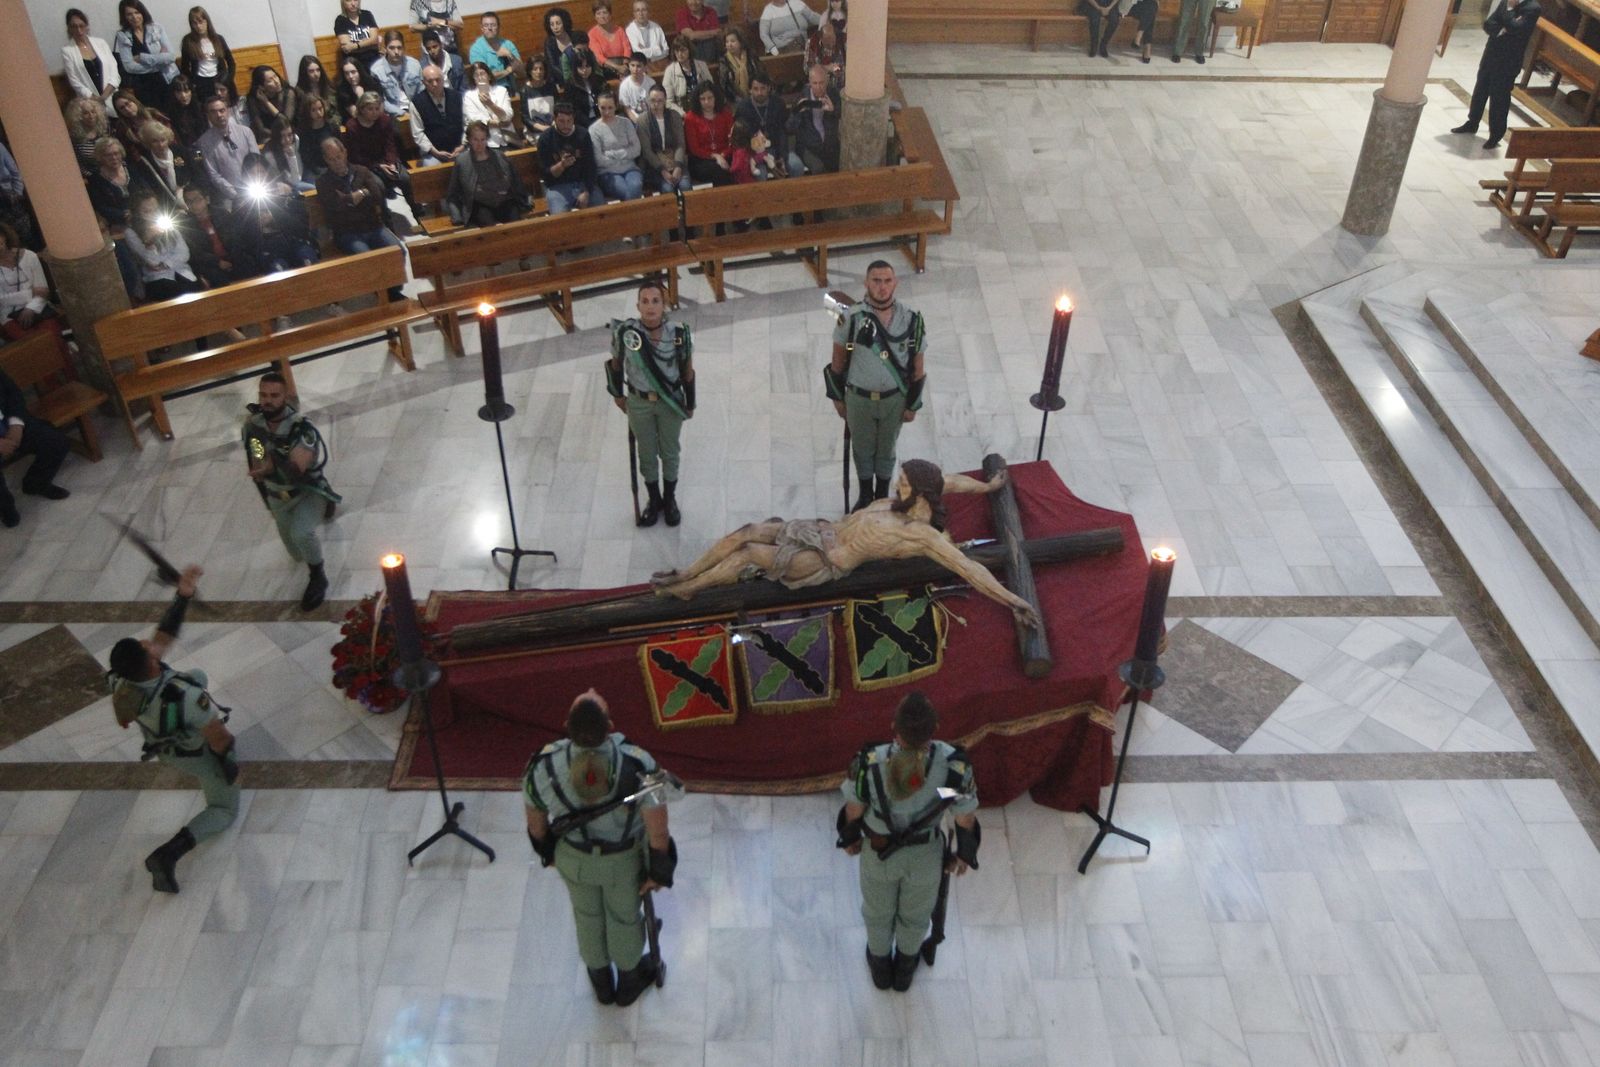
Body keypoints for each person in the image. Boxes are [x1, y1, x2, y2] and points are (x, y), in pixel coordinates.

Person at [652, 461, 1040, 629]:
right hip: (821, 529)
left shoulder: (920, 534)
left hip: (823, 561)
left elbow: (967, 568)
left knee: (748, 554)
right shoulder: (907, 497)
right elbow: (951, 481)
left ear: (920, 493)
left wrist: (1014, 601)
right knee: (746, 531)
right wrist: (988, 486)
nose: (896, 485)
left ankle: (689, 589)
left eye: (904, 483)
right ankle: (686, 572)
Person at [523, 689, 678, 1006]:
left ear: (566, 726)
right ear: (610, 726)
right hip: (622, 862)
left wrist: (548, 854)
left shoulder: (543, 766)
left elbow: (536, 824)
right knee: (624, 918)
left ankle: (601, 984)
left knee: (586, 915)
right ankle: (629, 982)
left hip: (574, 858)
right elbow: (658, 831)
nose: (593, 690)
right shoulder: (637, 763)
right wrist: (658, 872)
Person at [106, 565, 239, 892]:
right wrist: (227, 764)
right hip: (192, 752)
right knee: (224, 809)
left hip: (161, 740)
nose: (148, 642)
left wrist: (183, 595)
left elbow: (163, 637)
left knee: (196, 675)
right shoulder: (187, 698)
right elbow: (220, 739)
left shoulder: (121, 681)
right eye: (145, 647)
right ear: (151, 662)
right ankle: (168, 855)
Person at [837, 692, 979, 992]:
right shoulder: (952, 769)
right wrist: (964, 854)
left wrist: (850, 839)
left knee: (877, 914)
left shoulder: (869, 764)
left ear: (894, 727)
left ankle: (880, 968)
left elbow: (854, 809)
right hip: (925, 857)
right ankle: (904, 970)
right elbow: (964, 816)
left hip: (879, 853)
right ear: (935, 728)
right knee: (915, 917)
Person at [829, 261, 926, 510]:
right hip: (859, 399)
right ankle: (864, 496)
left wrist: (913, 405)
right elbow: (837, 362)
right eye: (876, 280)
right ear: (866, 283)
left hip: (894, 399)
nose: (882, 287)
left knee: (887, 450)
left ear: (895, 283)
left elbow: (918, 367)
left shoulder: (911, 319)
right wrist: (838, 399)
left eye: (887, 281)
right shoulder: (850, 318)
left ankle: (882, 496)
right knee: (862, 449)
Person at [243, 371, 339, 609]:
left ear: (285, 397)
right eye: (263, 395)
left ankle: (318, 576)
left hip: (306, 491)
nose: (267, 401)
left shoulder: (300, 428)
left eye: (274, 396)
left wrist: (271, 464)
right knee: (296, 553)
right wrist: (261, 470)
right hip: (278, 496)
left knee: (301, 534)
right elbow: (256, 455)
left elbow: (297, 470)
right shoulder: (254, 427)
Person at [605, 279, 693, 526]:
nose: (650, 306)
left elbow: (687, 370)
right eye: (645, 301)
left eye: (656, 301)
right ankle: (654, 500)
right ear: (638, 305)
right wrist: (618, 395)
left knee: (670, 452)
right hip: (639, 402)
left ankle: (670, 499)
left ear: (664, 304)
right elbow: (615, 364)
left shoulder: (678, 334)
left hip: (669, 402)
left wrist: (690, 403)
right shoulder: (626, 333)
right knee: (646, 452)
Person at [1451, 0, 1543, 150]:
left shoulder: (1532, 8)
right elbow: (1489, 23)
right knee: (1480, 90)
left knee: (1499, 97)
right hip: (1491, 53)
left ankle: (1496, 134)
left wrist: (1509, 10)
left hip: (1508, 61)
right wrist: (1502, 30)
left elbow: (1516, 29)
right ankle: (1472, 122)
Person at [0, 359, 70, 528]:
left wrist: (16, 425)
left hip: (7, 421)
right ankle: (5, 508)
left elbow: (12, 392)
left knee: (55, 441)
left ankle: (36, 483)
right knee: (8, 513)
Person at [316, 138, 406, 270]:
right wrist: (354, 198)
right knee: (368, 261)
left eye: (338, 157)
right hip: (347, 233)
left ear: (345, 153)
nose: (337, 162)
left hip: (373, 226)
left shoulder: (361, 171)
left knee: (399, 252)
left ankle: (394, 283)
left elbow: (377, 196)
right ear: (325, 160)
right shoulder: (323, 182)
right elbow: (334, 206)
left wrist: (360, 194)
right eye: (332, 159)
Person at [233, 154, 320, 274]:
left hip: (292, 240)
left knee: (306, 258)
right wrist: (256, 221)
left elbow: (302, 227)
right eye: (252, 174)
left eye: (261, 172)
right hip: (266, 248)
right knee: (278, 268)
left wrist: (276, 213)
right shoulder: (240, 201)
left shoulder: (283, 191)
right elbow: (245, 238)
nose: (258, 177)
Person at [343, 92, 417, 213]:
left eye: (377, 109)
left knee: (405, 178)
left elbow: (390, 145)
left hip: (385, 160)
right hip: (366, 164)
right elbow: (355, 156)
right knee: (377, 185)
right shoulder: (352, 126)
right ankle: (384, 216)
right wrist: (378, 166)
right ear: (362, 109)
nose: (374, 112)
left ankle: (417, 211)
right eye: (370, 109)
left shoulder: (384, 120)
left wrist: (391, 163)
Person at [447, 121, 529, 226]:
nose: (479, 144)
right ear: (469, 140)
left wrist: (525, 201)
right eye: (475, 140)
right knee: (491, 226)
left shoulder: (500, 156)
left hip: (504, 200)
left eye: (483, 139)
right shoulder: (462, 161)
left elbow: (516, 181)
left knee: (516, 224)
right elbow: (453, 191)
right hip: (480, 205)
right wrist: (457, 216)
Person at [0, 222, 59, 344]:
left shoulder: (29, 256)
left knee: (52, 337)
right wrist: (31, 292)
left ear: (4, 236)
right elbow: (2, 300)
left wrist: (31, 308)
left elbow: (43, 290)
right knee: (31, 344)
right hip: (9, 314)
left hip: (39, 306)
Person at [114, 0, 179, 109]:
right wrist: (160, 61)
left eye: (137, 12)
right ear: (124, 17)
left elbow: (171, 57)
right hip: (143, 86)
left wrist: (142, 58)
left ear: (142, 12)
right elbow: (129, 67)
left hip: (167, 79)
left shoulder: (157, 28)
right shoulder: (123, 35)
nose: (134, 17)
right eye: (129, 14)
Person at [538, 103, 601, 213]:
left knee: (602, 211)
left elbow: (591, 166)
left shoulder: (583, 134)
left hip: (582, 183)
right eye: (561, 121)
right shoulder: (545, 138)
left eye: (569, 121)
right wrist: (562, 165)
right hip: (557, 187)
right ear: (554, 119)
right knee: (559, 217)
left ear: (573, 119)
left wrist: (586, 191)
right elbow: (545, 174)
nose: (566, 125)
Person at [196, 92, 255, 209]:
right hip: (230, 198)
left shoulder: (245, 132)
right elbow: (213, 174)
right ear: (208, 115)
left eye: (222, 110)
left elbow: (256, 161)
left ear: (228, 111)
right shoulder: (203, 142)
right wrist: (236, 194)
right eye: (213, 112)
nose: (219, 115)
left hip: (255, 188)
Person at [178, 183, 241, 287]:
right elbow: (195, 252)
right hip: (209, 263)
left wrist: (232, 258)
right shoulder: (186, 225)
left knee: (248, 264)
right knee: (217, 278)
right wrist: (217, 262)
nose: (194, 204)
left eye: (197, 200)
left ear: (206, 199)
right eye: (189, 202)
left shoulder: (221, 213)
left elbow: (235, 237)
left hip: (231, 256)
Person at [131, 119, 201, 213]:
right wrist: (173, 209)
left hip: (193, 200)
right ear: (147, 143)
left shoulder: (179, 151)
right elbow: (152, 192)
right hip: (170, 210)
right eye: (155, 141)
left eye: (163, 140)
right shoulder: (144, 164)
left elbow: (197, 168)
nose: (160, 145)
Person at [635, 85, 692, 194]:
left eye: (660, 101)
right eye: (653, 100)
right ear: (648, 100)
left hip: (675, 159)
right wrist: (663, 171)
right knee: (668, 188)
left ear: (665, 100)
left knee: (685, 185)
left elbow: (680, 144)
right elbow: (647, 151)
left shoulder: (674, 116)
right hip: (654, 165)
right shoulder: (642, 120)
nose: (656, 104)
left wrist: (678, 167)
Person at [590, 92, 645, 202]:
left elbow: (637, 149)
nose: (607, 112)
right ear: (598, 107)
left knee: (635, 186)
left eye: (610, 108)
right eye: (603, 108)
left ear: (616, 106)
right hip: (607, 172)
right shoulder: (594, 130)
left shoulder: (626, 123)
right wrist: (625, 154)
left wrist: (613, 154)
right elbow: (599, 160)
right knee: (626, 191)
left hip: (630, 168)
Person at [63, 8, 120, 112]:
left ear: (87, 26)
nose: (79, 30)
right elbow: (74, 81)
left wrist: (104, 96)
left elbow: (114, 70)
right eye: (74, 26)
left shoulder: (101, 43)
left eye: (81, 26)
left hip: (112, 95)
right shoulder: (67, 51)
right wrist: (95, 98)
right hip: (90, 102)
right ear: (69, 29)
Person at [787, 64, 840, 175]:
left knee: (839, 166)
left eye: (821, 83)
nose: (818, 87)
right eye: (815, 83)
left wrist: (832, 110)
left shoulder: (833, 94)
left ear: (827, 81)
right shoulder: (801, 97)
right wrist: (798, 112)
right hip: (808, 147)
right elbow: (789, 128)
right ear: (809, 83)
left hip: (829, 145)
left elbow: (842, 115)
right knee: (818, 168)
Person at [179, 6, 236, 106]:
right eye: (194, 23)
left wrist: (228, 79)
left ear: (207, 21)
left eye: (201, 22)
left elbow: (231, 62)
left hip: (219, 79)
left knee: (224, 106)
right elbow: (184, 67)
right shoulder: (188, 41)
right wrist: (192, 83)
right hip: (201, 82)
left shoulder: (218, 39)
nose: (198, 26)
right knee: (206, 108)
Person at [410, 64, 466, 164]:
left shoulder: (457, 97)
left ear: (443, 79)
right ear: (423, 82)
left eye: (437, 80)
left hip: (460, 149)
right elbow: (418, 133)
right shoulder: (417, 103)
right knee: (431, 166)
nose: (435, 84)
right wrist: (435, 152)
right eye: (430, 81)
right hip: (433, 153)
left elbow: (467, 123)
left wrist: (463, 145)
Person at [734, 72, 788, 175]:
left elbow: (782, 132)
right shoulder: (743, 108)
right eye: (755, 89)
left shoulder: (778, 103)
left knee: (795, 166)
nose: (759, 92)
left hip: (776, 149)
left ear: (769, 88)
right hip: (755, 154)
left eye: (763, 88)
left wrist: (782, 155)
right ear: (750, 90)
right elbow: (742, 138)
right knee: (761, 174)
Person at [684, 83, 735, 186]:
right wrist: (716, 156)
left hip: (725, 155)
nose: (707, 102)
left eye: (710, 98)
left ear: (716, 98)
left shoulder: (726, 114)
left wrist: (723, 155)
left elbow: (733, 141)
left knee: (739, 165)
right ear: (697, 100)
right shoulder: (690, 118)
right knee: (719, 172)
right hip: (701, 160)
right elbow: (694, 149)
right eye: (702, 99)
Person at [463, 61, 520, 147]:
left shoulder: (501, 91)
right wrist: (498, 124)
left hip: (507, 138)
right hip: (485, 142)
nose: (480, 77)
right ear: (473, 79)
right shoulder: (469, 96)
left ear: (489, 76)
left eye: (482, 74)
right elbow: (474, 119)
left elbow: (507, 116)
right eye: (476, 75)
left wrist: (490, 104)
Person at [87, 137, 136, 233]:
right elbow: (101, 207)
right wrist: (124, 215)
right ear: (100, 157)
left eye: (116, 153)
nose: (114, 158)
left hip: (142, 216)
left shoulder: (131, 169)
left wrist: (138, 212)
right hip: (118, 223)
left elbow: (146, 191)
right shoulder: (95, 179)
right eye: (108, 155)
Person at [371, 31, 423, 116]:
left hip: (416, 110)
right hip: (392, 114)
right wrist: (402, 113)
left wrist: (417, 111)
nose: (396, 52)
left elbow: (422, 91)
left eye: (399, 48)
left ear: (404, 48)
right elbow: (381, 100)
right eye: (392, 48)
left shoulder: (415, 65)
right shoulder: (376, 70)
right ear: (385, 49)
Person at [245, 65, 301, 143]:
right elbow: (260, 128)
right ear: (261, 87)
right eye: (270, 80)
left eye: (275, 76)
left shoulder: (288, 93)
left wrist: (266, 103)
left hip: (289, 134)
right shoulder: (253, 99)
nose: (276, 81)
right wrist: (276, 137)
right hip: (268, 138)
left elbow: (286, 122)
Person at [469, 12, 523, 91]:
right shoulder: (476, 49)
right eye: (486, 25)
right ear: (481, 28)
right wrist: (509, 70)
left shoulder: (508, 44)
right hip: (489, 90)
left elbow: (522, 72)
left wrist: (510, 55)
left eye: (493, 25)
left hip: (511, 90)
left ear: (498, 27)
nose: (490, 28)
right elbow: (483, 77)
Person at [661, 35, 712, 114]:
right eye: (677, 51)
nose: (680, 54)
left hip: (703, 108)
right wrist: (683, 114)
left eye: (683, 50)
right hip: (682, 112)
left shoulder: (701, 65)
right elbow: (668, 102)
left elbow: (711, 89)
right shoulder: (670, 71)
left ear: (689, 50)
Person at [264, 116, 316, 192]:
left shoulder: (295, 139)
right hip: (284, 182)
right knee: (313, 188)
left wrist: (293, 156)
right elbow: (294, 181)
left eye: (289, 135)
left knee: (316, 184)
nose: (287, 140)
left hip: (300, 172)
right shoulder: (270, 154)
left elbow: (299, 162)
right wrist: (291, 156)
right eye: (283, 136)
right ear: (277, 137)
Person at [297, 94, 342, 177]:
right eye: (313, 110)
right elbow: (306, 157)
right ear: (307, 112)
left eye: (320, 108)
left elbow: (340, 148)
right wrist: (319, 171)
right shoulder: (304, 131)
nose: (318, 113)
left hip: (334, 165)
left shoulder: (333, 127)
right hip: (313, 169)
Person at [564, 49, 611, 127]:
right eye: (581, 67)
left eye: (587, 66)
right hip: (581, 123)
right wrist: (590, 124)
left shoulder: (600, 80)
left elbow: (607, 101)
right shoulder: (571, 85)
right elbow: (573, 109)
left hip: (601, 119)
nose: (584, 70)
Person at [65, 97, 110, 175]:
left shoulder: (105, 130)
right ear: (78, 116)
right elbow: (78, 163)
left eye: (93, 112)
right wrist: (91, 176)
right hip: (94, 176)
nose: (91, 116)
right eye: (86, 113)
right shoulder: (75, 138)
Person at [588, 0, 633, 75]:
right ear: (595, 17)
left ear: (610, 14)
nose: (602, 16)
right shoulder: (592, 34)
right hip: (605, 70)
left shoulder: (619, 30)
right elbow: (598, 57)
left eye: (605, 12)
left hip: (624, 67)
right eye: (598, 13)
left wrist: (625, 65)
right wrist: (617, 67)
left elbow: (627, 49)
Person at [728, 120, 777, 186]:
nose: (730, 130)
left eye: (732, 129)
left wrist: (729, 169)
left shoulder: (740, 152)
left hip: (744, 181)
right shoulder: (745, 148)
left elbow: (737, 167)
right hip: (748, 179)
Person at [544, 7, 585, 84]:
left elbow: (586, 56)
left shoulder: (575, 36)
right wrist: (570, 78)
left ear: (565, 23)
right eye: (552, 24)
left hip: (582, 74)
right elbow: (553, 66)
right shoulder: (549, 42)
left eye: (558, 23)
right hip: (561, 80)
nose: (555, 27)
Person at [522, 57, 561, 137]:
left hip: (553, 127)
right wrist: (542, 128)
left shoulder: (551, 87)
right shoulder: (525, 91)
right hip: (535, 132)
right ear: (530, 71)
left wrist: (554, 123)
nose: (538, 72)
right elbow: (525, 117)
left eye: (541, 69)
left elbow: (558, 108)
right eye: (535, 69)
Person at [719, 27, 759, 102]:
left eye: (733, 41)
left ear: (740, 42)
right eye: (727, 42)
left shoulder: (750, 56)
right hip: (734, 98)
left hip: (754, 93)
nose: (729, 44)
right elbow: (724, 85)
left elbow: (758, 74)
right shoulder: (724, 60)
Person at [167, 76, 208, 148]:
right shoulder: (172, 113)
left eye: (186, 91)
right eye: (179, 92)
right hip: (190, 148)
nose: (183, 96)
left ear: (191, 91)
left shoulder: (201, 107)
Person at [615, 52, 657, 120]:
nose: (635, 69)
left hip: (650, 117)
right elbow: (627, 109)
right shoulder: (624, 85)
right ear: (629, 66)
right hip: (633, 120)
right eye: (632, 65)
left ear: (645, 67)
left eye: (639, 66)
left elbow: (655, 104)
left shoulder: (651, 83)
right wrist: (637, 122)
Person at [336, 56, 379, 121]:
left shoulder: (372, 83)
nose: (350, 76)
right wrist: (361, 97)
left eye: (353, 72)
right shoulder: (343, 90)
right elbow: (355, 115)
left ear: (359, 71)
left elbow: (380, 108)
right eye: (346, 73)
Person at [804, 19, 844, 84]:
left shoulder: (841, 43)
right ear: (821, 38)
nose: (831, 44)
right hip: (818, 83)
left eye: (833, 40)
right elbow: (807, 69)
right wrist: (826, 68)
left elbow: (842, 67)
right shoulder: (811, 43)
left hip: (838, 84)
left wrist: (837, 70)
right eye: (828, 41)